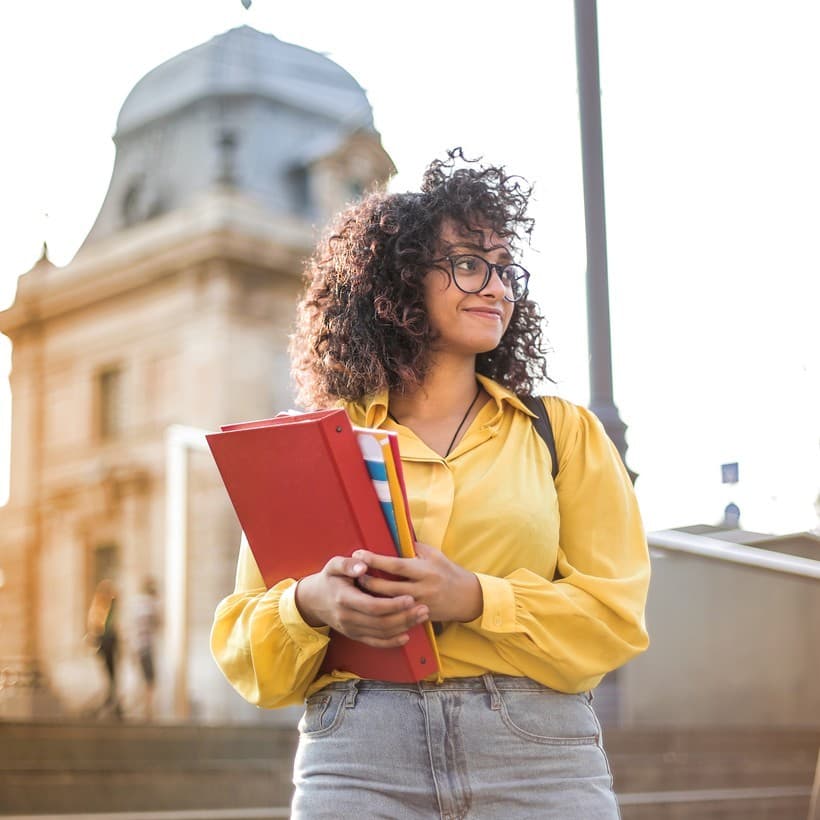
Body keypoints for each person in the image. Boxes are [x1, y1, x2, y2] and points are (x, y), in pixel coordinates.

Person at [211, 149, 650, 818]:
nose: (498, 286)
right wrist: (309, 605)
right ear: (399, 281)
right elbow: (247, 647)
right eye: (470, 263)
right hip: (357, 752)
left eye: (506, 269)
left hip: (536, 753)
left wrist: (475, 598)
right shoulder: (320, 445)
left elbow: (614, 619)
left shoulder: (563, 433)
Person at [86, 578, 122, 719]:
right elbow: (96, 627)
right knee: (110, 674)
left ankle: (112, 699)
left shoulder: (107, 606)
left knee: (112, 674)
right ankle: (112, 699)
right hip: (106, 642)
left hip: (109, 642)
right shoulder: (100, 607)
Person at [132, 576, 161, 721]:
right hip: (146, 646)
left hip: (138, 646)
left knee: (144, 678)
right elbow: (158, 623)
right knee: (150, 680)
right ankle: (147, 710)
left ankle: (144, 708)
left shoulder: (137, 604)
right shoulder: (149, 605)